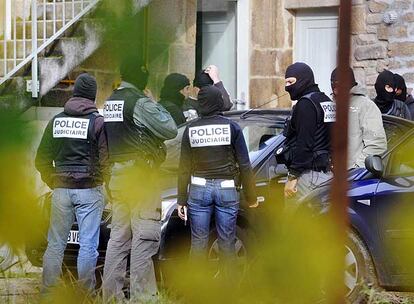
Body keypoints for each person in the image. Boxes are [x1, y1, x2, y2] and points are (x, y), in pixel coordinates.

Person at [102, 58, 177, 301]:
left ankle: (110, 296)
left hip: (118, 177)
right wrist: (152, 100)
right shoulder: (139, 102)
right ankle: (142, 297)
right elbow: (170, 128)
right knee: (145, 236)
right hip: (141, 177)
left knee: (118, 239)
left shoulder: (111, 101)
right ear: (141, 77)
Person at [35, 73, 109, 292]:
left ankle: (47, 294)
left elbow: (41, 159)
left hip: (61, 190)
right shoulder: (98, 123)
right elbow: (106, 161)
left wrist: (53, 181)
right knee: (88, 246)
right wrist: (102, 181)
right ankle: (85, 294)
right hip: (89, 190)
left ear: (75, 92)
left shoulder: (56, 121)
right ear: (93, 95)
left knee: (55, 245)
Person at [177, 85, 257, 275]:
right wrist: (251, 196)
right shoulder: (232, 127)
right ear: (218, 102)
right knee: (227, 243)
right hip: (227, 189)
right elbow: (245, 164)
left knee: (198, 243)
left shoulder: (191, 129)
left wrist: (181, 199)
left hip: (198, 189)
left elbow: (184, 168)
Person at [282, 62, 334, 204]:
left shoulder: (306, 104)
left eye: (291, 82)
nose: (287, 87)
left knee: (293, 221)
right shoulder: (326, 101)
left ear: (304, 79)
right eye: (286, 82)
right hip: (327, 174)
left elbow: (304, 144)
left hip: (307, 176)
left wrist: (293, 177)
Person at [330, 67, 387, 169]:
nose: (337, 90)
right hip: (330, 175)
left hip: (353, 177)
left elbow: (376, 145)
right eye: (334, 86)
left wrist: (356, 169)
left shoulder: (366, 106)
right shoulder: (332, 104)